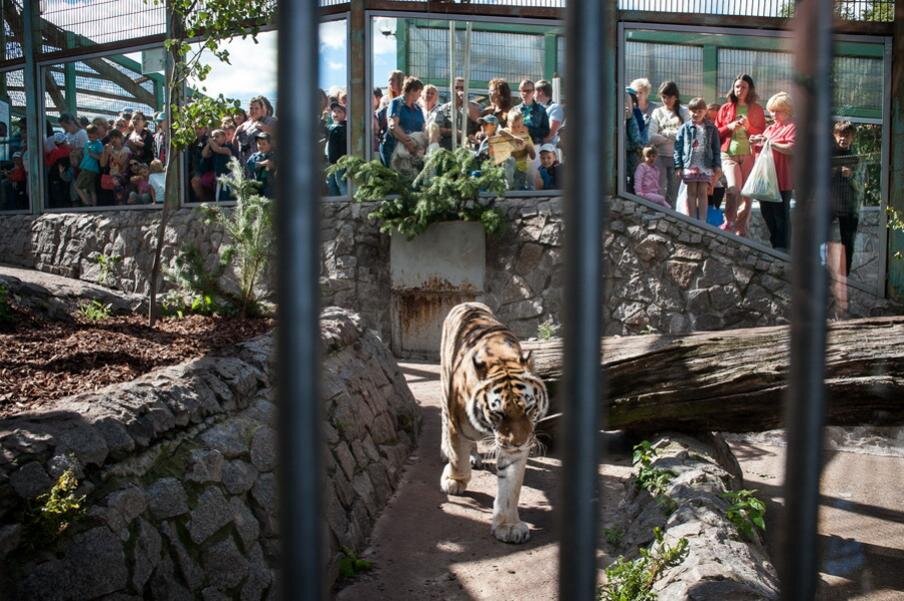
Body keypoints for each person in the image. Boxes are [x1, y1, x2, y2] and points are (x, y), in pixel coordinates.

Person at [715, 73, 766, 236]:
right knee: (733, 189)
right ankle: (729, 222)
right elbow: (715, 133)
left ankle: (741, 228)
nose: (740, 89)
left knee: (747, 194)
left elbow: (761, 134)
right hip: (728, 154)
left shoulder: (757, 109)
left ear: (750, 89)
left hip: (749, 155)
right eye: (737, 86)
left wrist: (748, 126)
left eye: (743, 87)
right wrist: (728, 127)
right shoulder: (725, 108)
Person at [749, 92, 796, 253]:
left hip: (782, 179)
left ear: (788, 110)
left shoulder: (793, 127)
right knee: (767, 213)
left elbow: (792, 148)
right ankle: (776, 244)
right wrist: (754, 141)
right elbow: (759, 149)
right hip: (765, 180)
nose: (773, 114)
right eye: (772, 110)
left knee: (780, 214)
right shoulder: (770, 128)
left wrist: (769, 143)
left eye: (778, 111)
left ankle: (782, 247)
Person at [674, 97, 722, 222]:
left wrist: (717, 165)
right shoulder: (684, 128)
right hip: (690, 164)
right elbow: (678, 148)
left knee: (702, 192)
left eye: (700, 111)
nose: (696, 114)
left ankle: (702, 220)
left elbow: (716, 148)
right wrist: (678, 166)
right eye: (693, 111)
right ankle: (691, 220)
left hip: (705, 165)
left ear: (705, 111)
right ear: (689, 111)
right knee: (691, 192)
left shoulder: (711, 128)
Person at [648, 81, 690, 207]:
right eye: (664, 97)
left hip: (677, 158)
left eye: (670, 97)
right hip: (659, 156)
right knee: (658, 189)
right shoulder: (657, 112)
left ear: (675, 97)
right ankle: (659, 214)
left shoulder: (684, 111)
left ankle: (672, 217)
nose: (667, 100)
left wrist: (664, 133)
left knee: (674, 191)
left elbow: (685, 135)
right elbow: (651, 137)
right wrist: (672, 136)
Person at [829, 121, 860, 274]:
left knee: (848, 242)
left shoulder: (855, 156)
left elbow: (863, 183)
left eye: (847, 136)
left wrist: (852, 175)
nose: (843, 139)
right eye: (840, 135)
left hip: (849, 205)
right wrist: (836, 170)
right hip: (829, 203)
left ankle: (844, 274)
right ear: (835, 136)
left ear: (852, 138)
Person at [381, 76, 425, 169]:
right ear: (413, 90)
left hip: (412, 151)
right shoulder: (396, 103)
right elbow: (393, 126)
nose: (420, 95)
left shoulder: (418, 109)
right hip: (393, 148)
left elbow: (423, 128)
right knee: (392, 178)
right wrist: (409, 143)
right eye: (419, 92)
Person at [435, 77, 480, 150]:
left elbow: (477, 119)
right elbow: (438, 128)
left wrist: (465, 101)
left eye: (462, 88)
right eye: (456, 87)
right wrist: (455, 132)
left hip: (470, 142)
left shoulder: (473, 106)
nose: (459, 90)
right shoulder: (443, 109)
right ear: (451, 90)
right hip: (449, 143)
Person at [503, 111, 535, 191]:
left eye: (519, 126)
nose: (516, 129)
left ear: (522, 125)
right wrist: (513, 138)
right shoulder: (506, 132)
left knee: (530, 163)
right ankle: (509, 185)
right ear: (508, 124)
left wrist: (528, 147)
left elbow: (533, 156)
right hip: (509, 169)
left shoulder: (525, 136)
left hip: (521, 169)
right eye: (513, 127)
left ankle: (530, 186)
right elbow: (500, 132)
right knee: (511, 160)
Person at [513, 79, 549, 145]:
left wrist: (529, 130)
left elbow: (546, 132)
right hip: (518, 146)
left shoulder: (541, 110)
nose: (525, 93)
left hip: (535, 146)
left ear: (533, 92)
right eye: (522, 90)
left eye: (528, 91)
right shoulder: (514, 110)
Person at [75, 124, 103, 206]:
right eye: (89, 133)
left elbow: (101, 157)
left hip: (90, 168)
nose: (90, 135)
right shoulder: (87, 143)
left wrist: (93, 154)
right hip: (85, 167)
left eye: (93, 133)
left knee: (77, 186)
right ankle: (93, 206)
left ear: (97, 134)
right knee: (91, 189)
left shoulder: (98, 144)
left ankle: (87, 203)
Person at [326, 102, 348, 196]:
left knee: (341, 184)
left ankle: (347, 202)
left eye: (339, 111)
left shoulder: (343, 128)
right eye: (334, 111)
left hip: (340, 162)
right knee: (332, 184)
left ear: (345, 114)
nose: (335, 114)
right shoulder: (331, 127)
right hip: (331, 162)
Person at [246, 131, 275, 198]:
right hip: (257, 186)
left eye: (264, 144)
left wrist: (272, 165)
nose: (261, 146)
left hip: (270, 187)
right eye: (259, 143)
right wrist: (261, 163)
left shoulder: (274, 155)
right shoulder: (255, 156)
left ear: (270, 144)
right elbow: (250, 165)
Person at [535, 79, 564, 145]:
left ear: (541, 92)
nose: (533, 94)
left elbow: (550, 134)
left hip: (547, 150)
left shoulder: (555, 108)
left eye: (534, 91)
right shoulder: (538, 107)